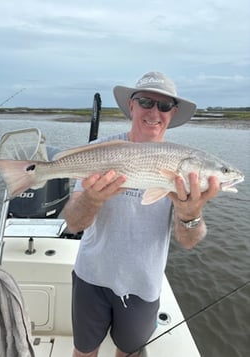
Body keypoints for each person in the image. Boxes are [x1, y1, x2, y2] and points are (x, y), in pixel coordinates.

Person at [63, 71, 220, 357]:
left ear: (172, 114)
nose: (154, 112)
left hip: (142, 285)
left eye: (163, 106)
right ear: (131, 106)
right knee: (84, 351)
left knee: (130, 352)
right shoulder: (98, 152)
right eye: (146, 101)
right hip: (91, 276)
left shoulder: (184, 166)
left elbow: (189, 241)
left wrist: (190, 211)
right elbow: (73, 222)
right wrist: (92, 199)